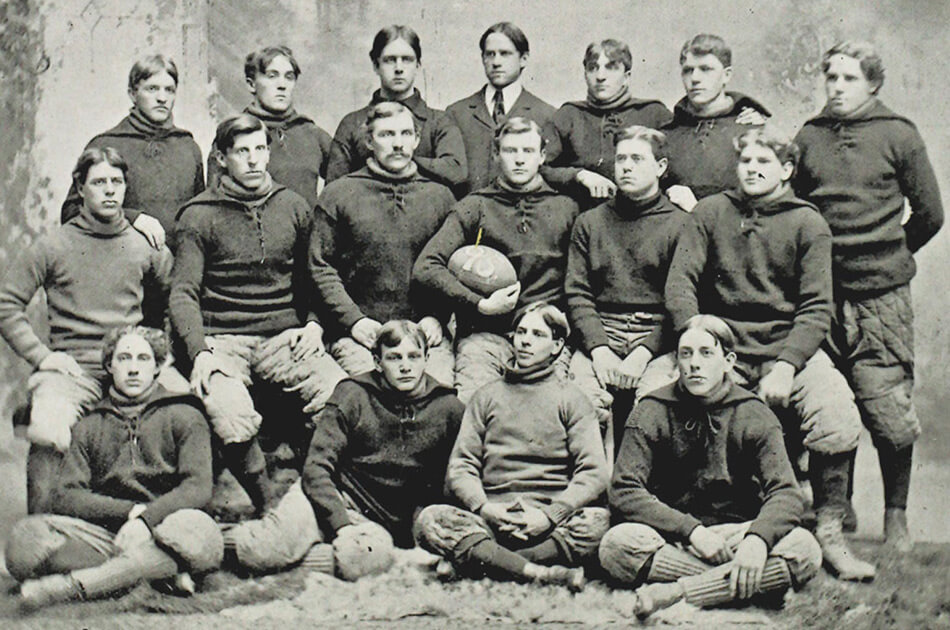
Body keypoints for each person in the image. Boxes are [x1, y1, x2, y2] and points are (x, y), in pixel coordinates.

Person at [664, 126, 873, 580]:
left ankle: (830, 531)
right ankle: (711, 528)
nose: (753, 170)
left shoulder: (808, 223)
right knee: (681, 404)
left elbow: (818, 306)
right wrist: (698, 337)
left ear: (786, 170)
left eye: (764, 163)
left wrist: (786, 366)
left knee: (835, 411)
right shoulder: (710, 212)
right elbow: (681, 283)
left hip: (787, 348)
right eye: (746, 162)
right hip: (723, 345)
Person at [794, 41, 944, 553]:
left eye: (849, 78)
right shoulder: (809, 136)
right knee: (830, 401)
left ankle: (896, 515)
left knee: (887, 409)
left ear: (872, 85)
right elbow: (794, 213)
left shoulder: (899, 134)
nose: (837, 87)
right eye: (831, 77)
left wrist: (887, 256)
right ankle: (836, 509)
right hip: (819, 297)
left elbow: (930, 214)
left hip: (881, 299)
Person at [171, 114, 346, 515]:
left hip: (283, 336)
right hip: (223, 340)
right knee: (227, 406)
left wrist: (316, 326)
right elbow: (183, 293)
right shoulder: (199, 215)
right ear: (221, 158)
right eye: (242, 151)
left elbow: (314, 277)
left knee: (340, 394)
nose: (253, 160)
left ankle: (325, 498)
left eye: (259, 149)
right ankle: (266, 502)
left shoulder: (293, 206)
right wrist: (199, 352)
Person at [599, 315, 822, 618]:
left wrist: (757, 541)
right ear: (676, 361)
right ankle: (743, 583)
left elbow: (785, 492)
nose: (694, 364)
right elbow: (624, 490)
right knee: (616, 545)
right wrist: (691, 531)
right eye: (685, 354)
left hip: (737, 537)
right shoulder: (651, 410)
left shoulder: (754, 413)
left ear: (728, 361)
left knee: (806, 549)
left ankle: (676, 592)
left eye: (706, 353)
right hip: (673, 537)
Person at [0, 147, 177, 513]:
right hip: (75, 368)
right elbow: (6, 303)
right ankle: (41, 533)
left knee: (188, 406)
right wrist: (43, 357)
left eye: (117, 182)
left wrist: (162, 354)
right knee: (49, 425)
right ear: (80, 188)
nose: (110, 190)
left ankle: (168, 530)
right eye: (99, 182)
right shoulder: (53, 245)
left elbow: (179, 298)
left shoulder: (144, 245)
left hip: (132, 364)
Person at [223, 320, 464, 577]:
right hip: (327, 498)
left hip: (376, 521)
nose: (405, 366)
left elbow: (456, 475)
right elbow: (316, 469)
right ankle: (215, 542)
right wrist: (341, 524)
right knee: (262, 551)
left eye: (413, 357)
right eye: (394, 358)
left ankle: (309, 561)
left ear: (427, 358)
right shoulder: (352, 395)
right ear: (377, 361)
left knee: (365, 559)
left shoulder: (448, 408)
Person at [5, 326, 222, 609]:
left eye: (143, 359)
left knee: (198, 534)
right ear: (109, 366)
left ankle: (71, 588)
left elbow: (197, 486)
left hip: (168, 526)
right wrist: (130, 513)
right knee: (26, 540)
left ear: (158, 367)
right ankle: (154, 572)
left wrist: (147, 521)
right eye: (124, 358)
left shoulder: (185, 414)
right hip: (108, 535)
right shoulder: (90, 424)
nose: (133, 369)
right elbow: (67, 495)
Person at [416, 303, 609, 591]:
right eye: (521, 332)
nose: (526, 340)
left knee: (600, 523)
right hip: (493, 519)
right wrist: (484, 508)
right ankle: (539, 573)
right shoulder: (486, 397)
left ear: (557, 345)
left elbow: (593, 472)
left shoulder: (573, 399)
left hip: (549, 524)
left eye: (537, 334)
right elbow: (461, 466)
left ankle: (485, 562)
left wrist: (548, 516)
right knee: (430, 520)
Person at [413, 117, 579, 402]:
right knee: (474, 409)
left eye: (527, 151)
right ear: (495, 154)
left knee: (548, 416)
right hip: (484, 338)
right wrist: (479, 304)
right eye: (510, 151)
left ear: (541, 157)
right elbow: (426, 267)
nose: (518, 160)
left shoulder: (567, 209)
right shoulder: (475, 206)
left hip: (544, 341)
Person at [310, 102, 456, 384]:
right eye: (387, 135)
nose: (398, 144)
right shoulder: (338, 195)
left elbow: (450, 266)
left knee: (437, 399)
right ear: (368, 141)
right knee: (371, 401)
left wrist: (436, 317)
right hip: (362, 335)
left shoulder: (441, 197)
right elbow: (321, 267)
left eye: (405, 134)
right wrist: (354, 320)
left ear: (416, 139)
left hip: (422, 333)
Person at [565, 126, 687, 455]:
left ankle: (640, 497)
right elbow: (577, 293)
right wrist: (599, 348)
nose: (626, 167)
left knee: (655, 410)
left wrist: (644, 353)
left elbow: (681, 300)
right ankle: (591, 494)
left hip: (657, 339)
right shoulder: (590, 223)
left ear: (661, 167)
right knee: (579, 405)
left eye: (637, 158)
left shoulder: (680, 224)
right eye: (621, 159)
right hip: (600, 331)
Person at [60, 54, 204, 251]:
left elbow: (201, 215)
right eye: (152, 89)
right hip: (121, 263)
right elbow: (71, 213)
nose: (162, 98)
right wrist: (132, 217)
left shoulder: (188, 147)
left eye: (169, 90)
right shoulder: (106, 145)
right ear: (132, 93)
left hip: (177, 269)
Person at [326, 25, 467, 190]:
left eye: (407, 59)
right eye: (390, 60)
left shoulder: (438, 122)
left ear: (418, 66)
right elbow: (334, 188)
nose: (399, 68)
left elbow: (457, 172)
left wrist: (399, 158)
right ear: (375, 65)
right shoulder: (353, 123)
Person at [542, 39, 672, 208]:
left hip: (643, 214)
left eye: (611, 67)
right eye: (592, 68)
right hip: (582, 215)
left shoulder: (654, 114)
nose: (600, 76)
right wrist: (578, 175)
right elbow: (539, 166)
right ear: (585, 74)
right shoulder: (568, 115)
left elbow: (674, 169)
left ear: (627, 76)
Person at [207, 45, 332, 208]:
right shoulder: (232, 134)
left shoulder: (314, 135)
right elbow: (213, 203)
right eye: (272, 76)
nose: (282, 85)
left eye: (289, 77)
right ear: (251, 84)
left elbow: (342, 195)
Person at [446, 22, 556, 195]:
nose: (496, 62)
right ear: (483, 58)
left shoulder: (546, 114)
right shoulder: (457, 113)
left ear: (523, 58)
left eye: (505, 54)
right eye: (490, 54)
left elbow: (551, 175)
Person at [662, 34, 770, 209]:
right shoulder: (667, 134)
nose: (695, 78)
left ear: (726, 75)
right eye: (688, 70)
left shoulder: (754, 131)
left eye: (706, 69)